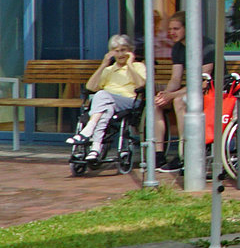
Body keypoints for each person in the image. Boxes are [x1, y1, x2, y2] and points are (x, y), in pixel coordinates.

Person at [154, 12, 214, 171]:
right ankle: (158, 155)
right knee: (156, 104)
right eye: (170, 29)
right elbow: (176, 78)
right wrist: (165, 94)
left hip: (212, 91)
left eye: (176, 28)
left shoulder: (207, 46)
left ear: (188, 28)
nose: (172, 32)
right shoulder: (178, 48)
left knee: (179, 101)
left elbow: (202, 83)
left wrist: (172, 95)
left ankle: (184, 154)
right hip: (192, 90)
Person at [74, 35, 144, 161]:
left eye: (124, 50)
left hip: (128, 101)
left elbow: (141, 85)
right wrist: (103, 65)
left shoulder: (138, 66)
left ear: (130, 51)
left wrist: (130, 65)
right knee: (104, 110)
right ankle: (95, 148)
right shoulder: (108, 69)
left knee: (101, 95)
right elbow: (90, 87)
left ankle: (89, 129)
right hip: (107, 103)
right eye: (117, 51)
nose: (120, 54)